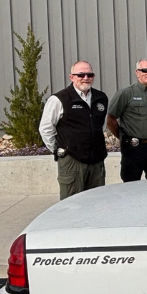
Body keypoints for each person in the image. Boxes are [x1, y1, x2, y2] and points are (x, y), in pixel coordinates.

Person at [38, 60, 109, 199]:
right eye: (80, 75)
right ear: (72, 77)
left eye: (90, 74)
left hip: (96, 161)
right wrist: (59, 149)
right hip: (72, 161)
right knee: (72, 204)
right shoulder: (60, 99)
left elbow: (99, 126)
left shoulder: (101, 98)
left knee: (97, 202)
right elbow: (46, 128)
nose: (86, 78)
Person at [106, 59, 147, 182]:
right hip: (133, 148)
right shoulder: (126, 93)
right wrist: (122, 137)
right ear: (137, 72)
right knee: (131, 186)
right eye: (144, 70)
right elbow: (111, 119)